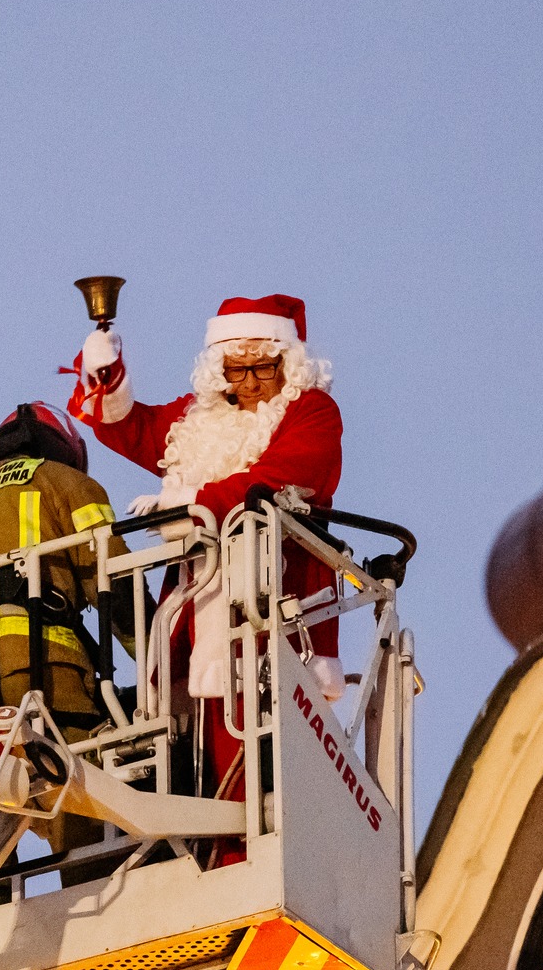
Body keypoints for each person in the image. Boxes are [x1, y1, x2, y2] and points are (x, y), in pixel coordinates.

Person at [67, 294, 346, 801]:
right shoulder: (202, 418)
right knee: (186, 738)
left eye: (263, 367)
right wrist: (106, 373)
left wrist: (187, 505)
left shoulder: (314, 412)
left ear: (290, 361)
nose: (249, 384)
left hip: (274, 600)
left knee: (249, 735)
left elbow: (279, 479)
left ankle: (232, 843)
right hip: (196, 602)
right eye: (236, 371)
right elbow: (137, 429)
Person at [0, 401, 129, 866]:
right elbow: (116, 580)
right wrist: (160, 659)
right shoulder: (66, 482)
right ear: (66, 451)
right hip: (37, 664)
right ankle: (95, 893)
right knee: (76, 784)